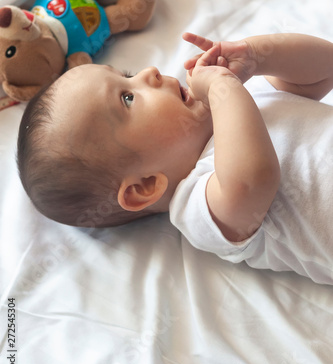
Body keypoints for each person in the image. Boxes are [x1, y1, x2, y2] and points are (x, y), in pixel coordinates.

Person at [17, 32, 333, 283]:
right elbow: (254, 179)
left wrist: (257, 55)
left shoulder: (249, 101)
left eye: (127, 74)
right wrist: (224, 87)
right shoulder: (197, 202)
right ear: (145, 186)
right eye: (127, 98)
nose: (149, 73)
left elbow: (323, 70)